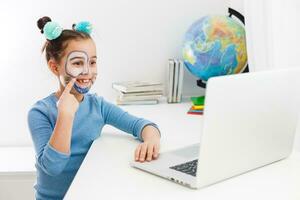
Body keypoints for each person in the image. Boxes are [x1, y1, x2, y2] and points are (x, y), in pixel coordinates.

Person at [28, 16, 161, 200]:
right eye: (77, 63)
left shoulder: (97, 106)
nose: (87, 72)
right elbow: (52, 167)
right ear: (54, 67)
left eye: (92, 62)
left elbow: (141, 125)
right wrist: (65, 115)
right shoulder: (40, 112)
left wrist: (151, 140)